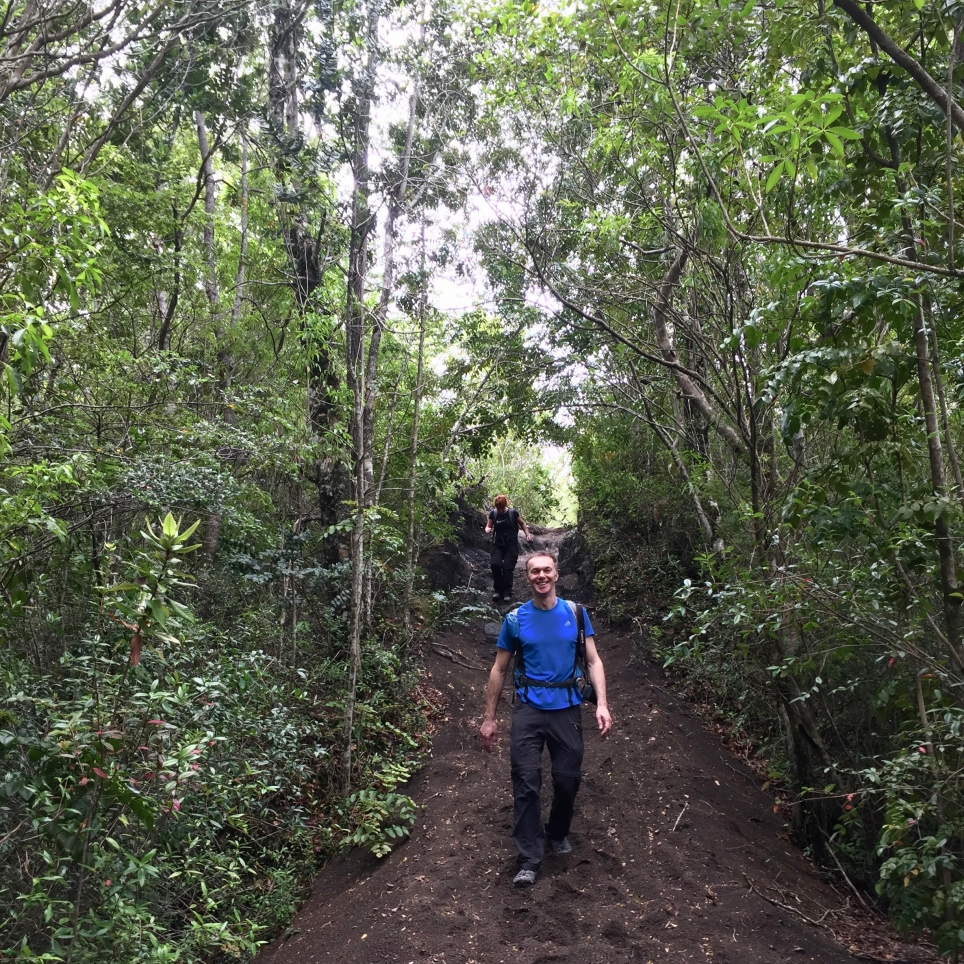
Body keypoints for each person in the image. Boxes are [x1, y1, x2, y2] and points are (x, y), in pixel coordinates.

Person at [479, 551, 612, 888]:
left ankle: (557, 830)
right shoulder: (514, 620)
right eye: (534, 571)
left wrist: (602, 704)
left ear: (556, 574)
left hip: (566, 708)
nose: (541, 576)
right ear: (528, 577)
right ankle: (528, 859)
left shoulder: (576, 614)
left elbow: (593, 661)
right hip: (528, 710)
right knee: (526, 783)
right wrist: (489, 718)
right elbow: (499, 669)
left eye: (546, 570)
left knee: (567, 781)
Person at [484, 495, 531, 602]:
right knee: (495, 564)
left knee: (507, 567)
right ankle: (497, 591)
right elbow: (488, 525)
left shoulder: (512, 513)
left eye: (501, 508)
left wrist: (527, 534)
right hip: (498, 544)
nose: (500, 510)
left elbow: (522, 523)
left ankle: (507, 592)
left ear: (506, 505)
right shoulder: (493, 513)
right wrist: (487, 529)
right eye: (498, 508)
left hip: (511, 545)